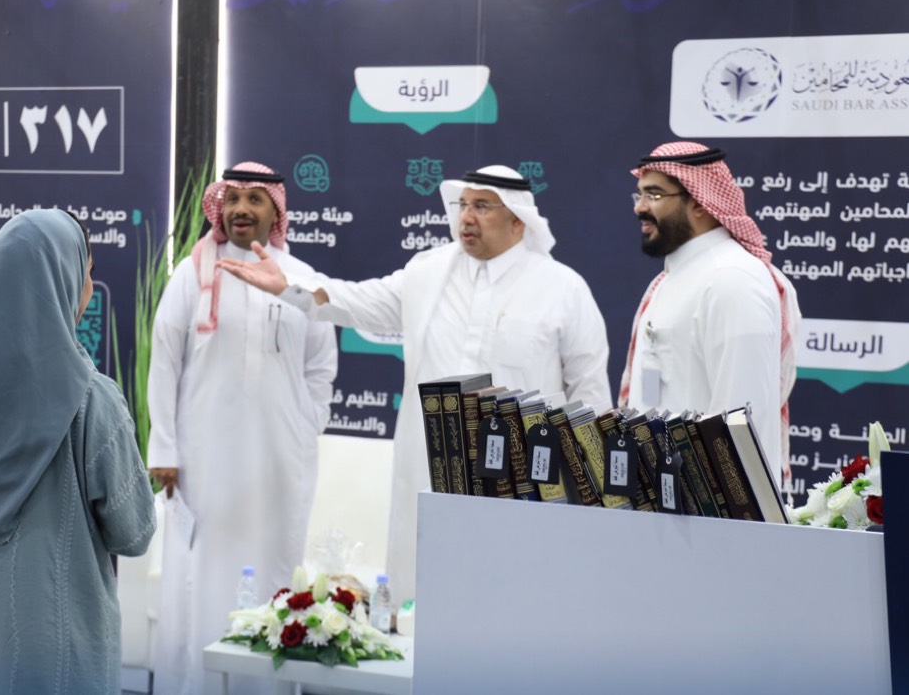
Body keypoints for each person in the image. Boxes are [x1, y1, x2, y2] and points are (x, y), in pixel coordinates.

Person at [218, 164, 611, 607]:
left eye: (483, 207)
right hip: (429, 471)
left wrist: (587, 491)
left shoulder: (562, 289)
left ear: (518, 220)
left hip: (518, 481)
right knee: (424, 596)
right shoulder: (428, 272)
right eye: (464, 205)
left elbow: (589, 393)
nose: (467, 217)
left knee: (511, 600)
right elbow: (356, 302)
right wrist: (289, 287)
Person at [0, 208, 155, 694]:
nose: (88, 287)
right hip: (55, 658)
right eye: (86, 272)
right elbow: (135, 532)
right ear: (62, 280)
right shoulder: (92, 400)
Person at [147, 162, 338, 695]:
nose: (241, 209)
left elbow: (321, 366)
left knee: (273, 569)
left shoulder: (301, 279)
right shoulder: (192, 275)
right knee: (200, 576)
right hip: (202, 461)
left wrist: (304, 426)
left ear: (276, 212)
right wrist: (164, 448)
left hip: (279, 461)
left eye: (255, 199)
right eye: (232, 198)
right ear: (219, 208)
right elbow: (164, 362)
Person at [619, 141, 800, 485]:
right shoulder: (674, 278)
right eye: (639, 195)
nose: (640, 207)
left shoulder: (732, 279)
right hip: (664, 495)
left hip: (710, 503)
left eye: (654, 195)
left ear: (700, 203)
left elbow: (738, 421)